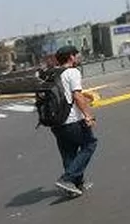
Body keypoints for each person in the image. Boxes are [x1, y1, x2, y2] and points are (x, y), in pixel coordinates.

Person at [50, 46, 98, 197]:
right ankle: (67, 179)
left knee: (69, 153)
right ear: (71, 57)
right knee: (90, 144)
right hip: (72, 120)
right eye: (76, 55)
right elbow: (77, 96)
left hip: (55, 122)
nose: (78, 57)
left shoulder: (51, 73)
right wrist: (88, 115)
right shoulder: (72, 72)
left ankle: (75, 186)